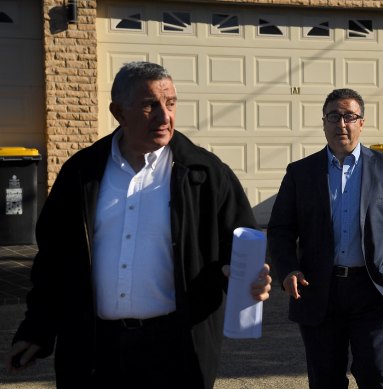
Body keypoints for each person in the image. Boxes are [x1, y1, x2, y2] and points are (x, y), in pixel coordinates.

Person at [4, 61, 272, 389]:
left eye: (170, 103)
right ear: (118, 111)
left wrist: (247, 279)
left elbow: (240, 245)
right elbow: (53, 262)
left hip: (175, 350)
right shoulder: (81, 174)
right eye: (149, 105)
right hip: (94, 349)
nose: (164, 116)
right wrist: (37, 329)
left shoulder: (205, 174)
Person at [267, 88, 383, 389]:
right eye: (334, 116)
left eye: (349, 116)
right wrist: (288, 270)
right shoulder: (301, 172)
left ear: (361, 123)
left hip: (374, 291)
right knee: (325, 380)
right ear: (323, 123)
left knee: (377, 377)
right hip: (319, 291)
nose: (341, 124)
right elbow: (281, 228)